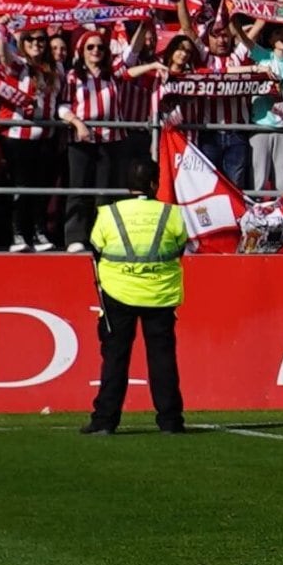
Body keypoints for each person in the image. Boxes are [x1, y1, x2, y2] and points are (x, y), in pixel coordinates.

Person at [83, 182, 192, 433]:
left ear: (128, 185)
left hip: (117, 292)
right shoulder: (171, 213)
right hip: (160, 293)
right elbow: (179, 247)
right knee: (162, 358)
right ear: (155, 184)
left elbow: (96, 248)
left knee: (115, 358)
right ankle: (170, 421)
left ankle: (104, 421)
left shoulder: (109, 213)